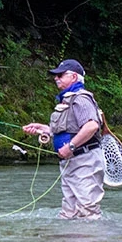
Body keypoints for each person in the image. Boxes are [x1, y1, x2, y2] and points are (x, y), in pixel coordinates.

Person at [22, 59, 105, 219]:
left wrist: (70, 147)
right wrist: (44, 129)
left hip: (85, 162)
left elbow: (91, 126)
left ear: (74, 77)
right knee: (69, 214)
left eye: (60, 75)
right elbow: (68, 131)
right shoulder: (67, 99)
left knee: (88, 212)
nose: (56, 78)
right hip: (72, 163)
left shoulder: (81, 98)